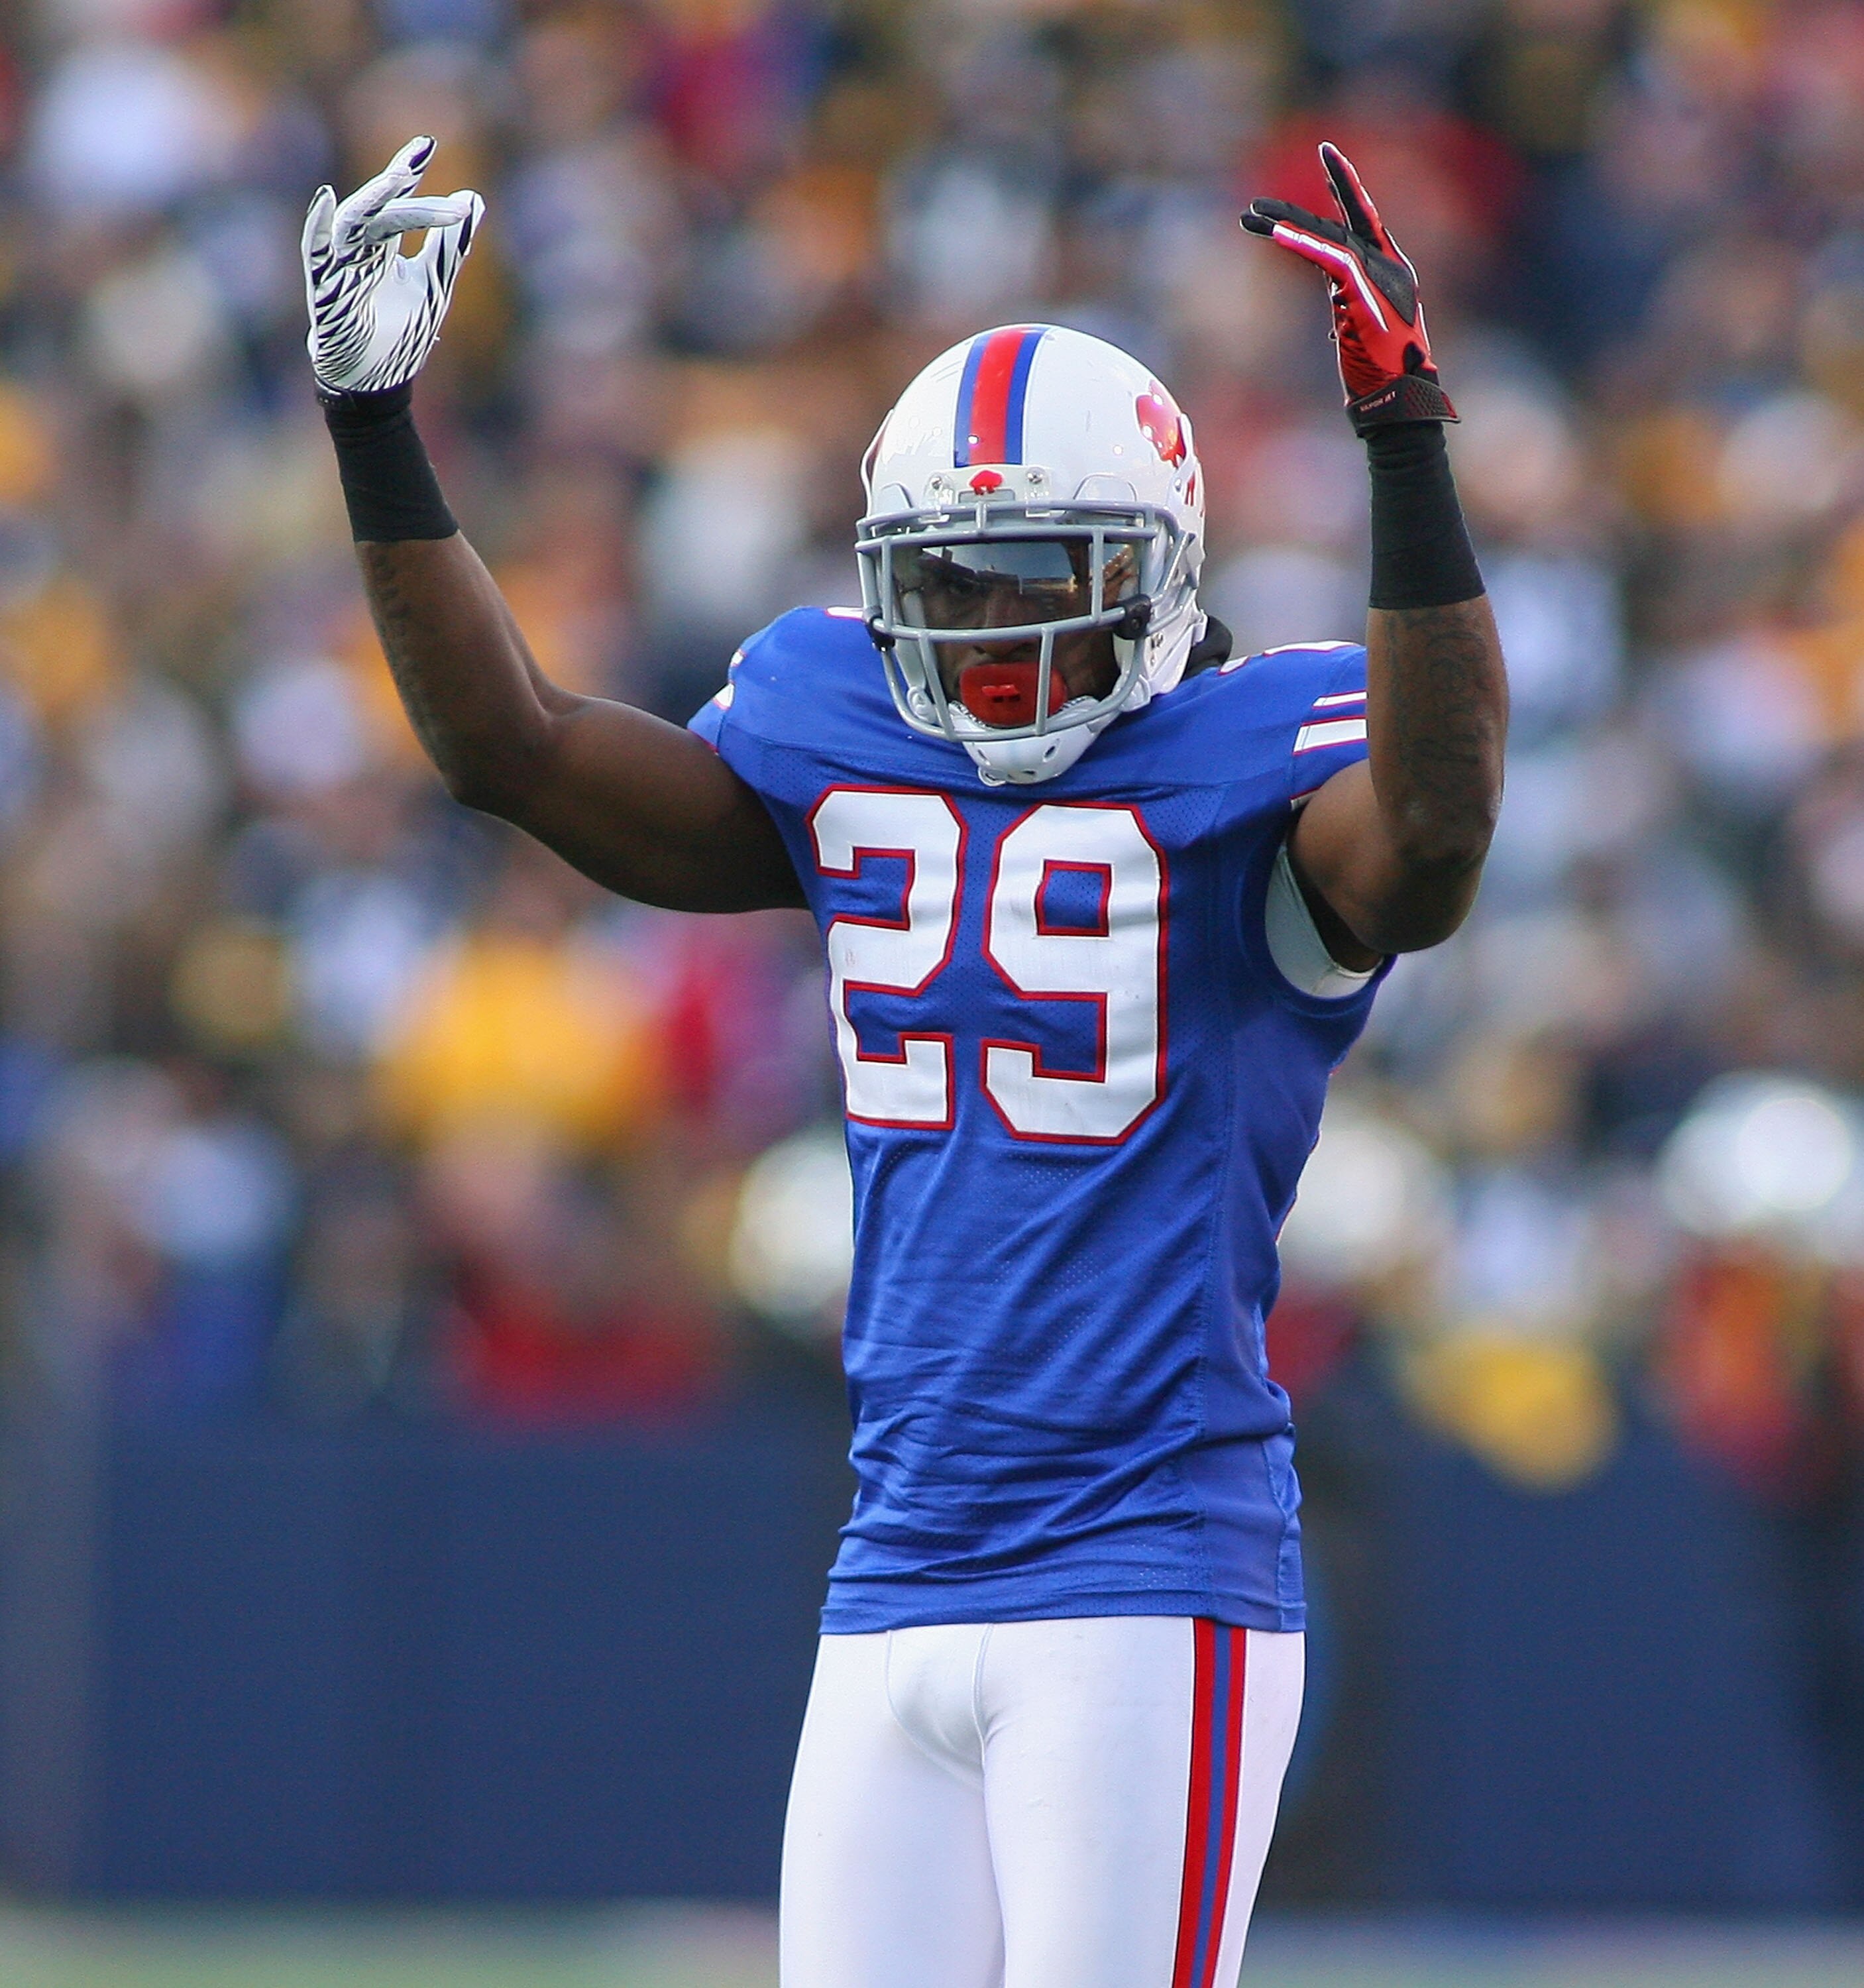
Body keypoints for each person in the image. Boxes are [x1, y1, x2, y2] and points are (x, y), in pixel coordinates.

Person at [302, 136, 1506, 1987]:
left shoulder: (1258, 774)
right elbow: (517, 752)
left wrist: (1404, 444)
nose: (997, 637)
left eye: (1045, 577)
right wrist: (375, 424)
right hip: (899, 1565)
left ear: (1161, 575)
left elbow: (1427, 838)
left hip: (1151, 1569)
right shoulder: (835, 723)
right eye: (953, 584)